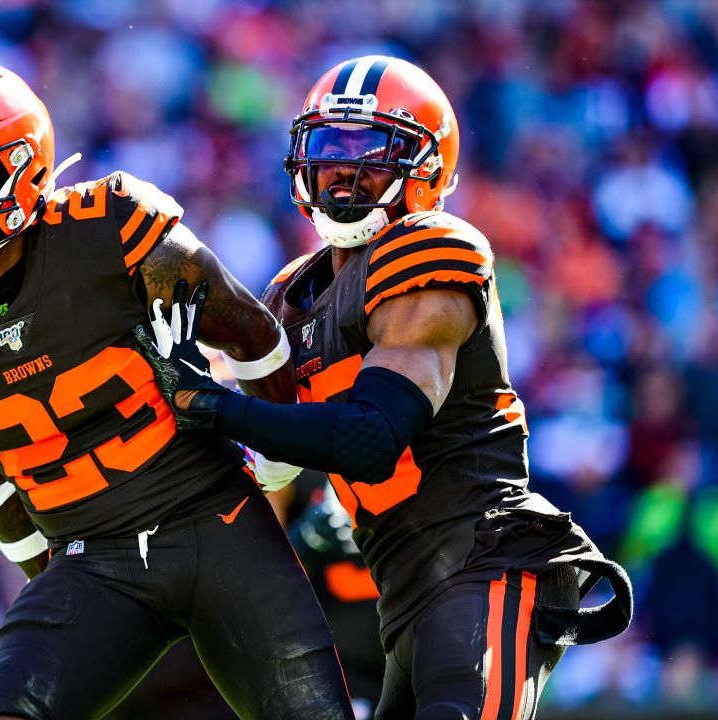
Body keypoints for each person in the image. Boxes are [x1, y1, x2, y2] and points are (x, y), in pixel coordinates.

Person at [138, 56, 634, 720]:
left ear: (426, 169)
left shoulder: (431, 250)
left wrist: (214, 404)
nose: (345, 171)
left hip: (484, 564)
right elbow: (273, 468)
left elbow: (371, 437)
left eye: (372, 152)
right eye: (330, 150)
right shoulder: (288, 297)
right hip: (402, 598)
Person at [0, 62, 351, 720]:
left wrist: (279, 461)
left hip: (214, 520)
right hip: (93, 557)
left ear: (20, 170)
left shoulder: (112, 226)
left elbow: (254, 335)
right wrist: (48, 572)